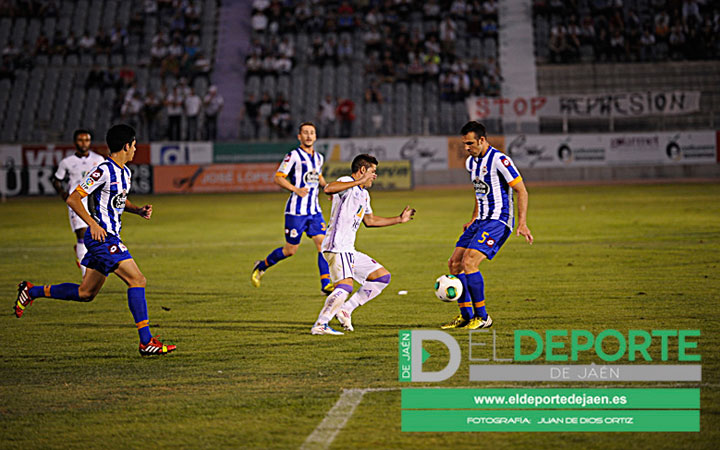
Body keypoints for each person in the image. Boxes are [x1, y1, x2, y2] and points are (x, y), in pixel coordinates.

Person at [15, 124, 176, 356]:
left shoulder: (125, 172)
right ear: (125, 146)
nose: (135, 149)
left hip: (108, 236)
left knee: (86, 293)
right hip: (102, 237)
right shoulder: (103, 170)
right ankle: (146, 341)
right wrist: (92, 224)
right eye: (134, 145)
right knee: (138, 280)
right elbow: (74, 198)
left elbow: (119, 202)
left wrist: (138, 210)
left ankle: (31, 291)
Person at [442, 121, 533, 330]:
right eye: (464, 144)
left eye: (470, 143)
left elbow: (522, 190)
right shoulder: (470, 163)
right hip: (481, 220)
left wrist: (523, 223)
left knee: (470, 262)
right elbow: (479, 191)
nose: (466, 148)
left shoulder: (500, 160)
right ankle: (466, 316)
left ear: (482, 140)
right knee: (454, 263)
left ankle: (483, 317)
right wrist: (474, 217)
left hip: (499, 220)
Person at [311, 154, 416, 335]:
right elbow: (328, 188)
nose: (375, 176)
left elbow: (370, 220)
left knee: (381, 277)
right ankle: (321, 323)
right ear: (362, 170)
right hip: (337, 246)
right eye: (372, 172)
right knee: (345, 286)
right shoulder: (346, 182)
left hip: (348, 249)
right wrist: (358, 181)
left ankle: (346, 310)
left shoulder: (364, 195)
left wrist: (399, 219)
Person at [251, 122, 333, 294]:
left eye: (312, 133)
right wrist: (295, 189)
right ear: (299, 137)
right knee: (290, 250)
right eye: (305, 133)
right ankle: (261, 265)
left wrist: (327, 189)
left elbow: (317, 175)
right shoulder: (293, 156)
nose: (309, 136)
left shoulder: (319, 157)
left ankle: (326, 284)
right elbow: (278, 177)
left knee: (323, 244)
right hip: (296, 211)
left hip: (314, 211)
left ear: (316, 136)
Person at [51, 129, 107, 276]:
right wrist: (63, 193)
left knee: (95, 235)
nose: (84, 143)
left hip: (94, 202)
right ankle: (85, 275)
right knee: (82, 234)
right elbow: (57, 180)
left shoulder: (99, 159)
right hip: (77, 202)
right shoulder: (67, 162)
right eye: (81, 140)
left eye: (87, 140)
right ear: (75, 142)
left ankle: (82, 254)